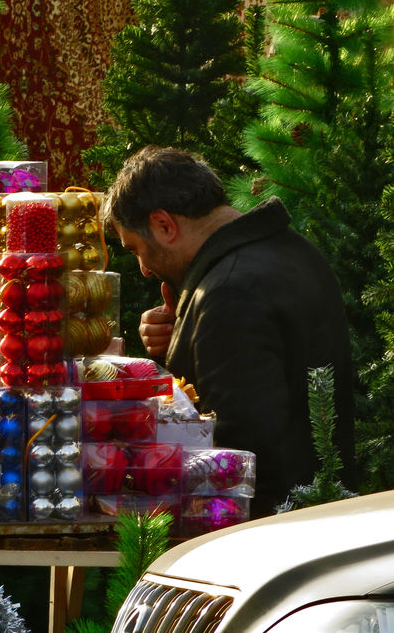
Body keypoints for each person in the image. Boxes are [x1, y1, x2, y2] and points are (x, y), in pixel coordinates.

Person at [103, 146, 356, 516]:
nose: (143, 268)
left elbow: (238, 458)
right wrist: (187, 334)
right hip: (318, 513)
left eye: (136, 249)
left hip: (269, 537)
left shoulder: (228, 293)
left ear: (164, 225)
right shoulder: (293, 251)